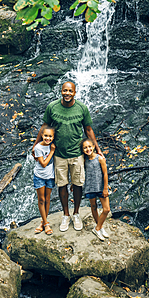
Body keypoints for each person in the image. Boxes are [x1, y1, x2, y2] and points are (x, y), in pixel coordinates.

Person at [32, 81, 103, 232]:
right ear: (61, 91)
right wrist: (35, 145)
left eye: (70, 91)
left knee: (77, 184)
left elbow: (88, 129)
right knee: (62, 184)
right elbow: (45, 126)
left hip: (77, 154)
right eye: (65, 91)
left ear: (75, 92)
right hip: (59, 154)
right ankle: (66, 215)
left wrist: (98, 149)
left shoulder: (82, 108)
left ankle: (76, 213)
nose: (67, 93)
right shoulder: (52, 107)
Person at [81, 138, 110, 241]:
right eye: (85, 148)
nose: (88, 149)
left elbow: (105, 173)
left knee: (106, 209)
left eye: (89, 146)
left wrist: (105, 188)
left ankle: (97, 228)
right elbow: (81, 172)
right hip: (90, 186)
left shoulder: (99, 158)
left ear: (93, 147)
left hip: (101, 186)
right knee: (94, 207)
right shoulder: (84, 160)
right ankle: (100, 227)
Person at [33, 125, 56, 235]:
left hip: (50, 176)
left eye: (50, 136)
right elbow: (43, 164)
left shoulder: (52, 145)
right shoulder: (38, 147)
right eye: (46, 136)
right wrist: (51, 152)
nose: (48, 138)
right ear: (42, 135)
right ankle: (46, 224)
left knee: (47, 199)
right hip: (40, 176)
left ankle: (43, 222)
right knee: (41, 199)